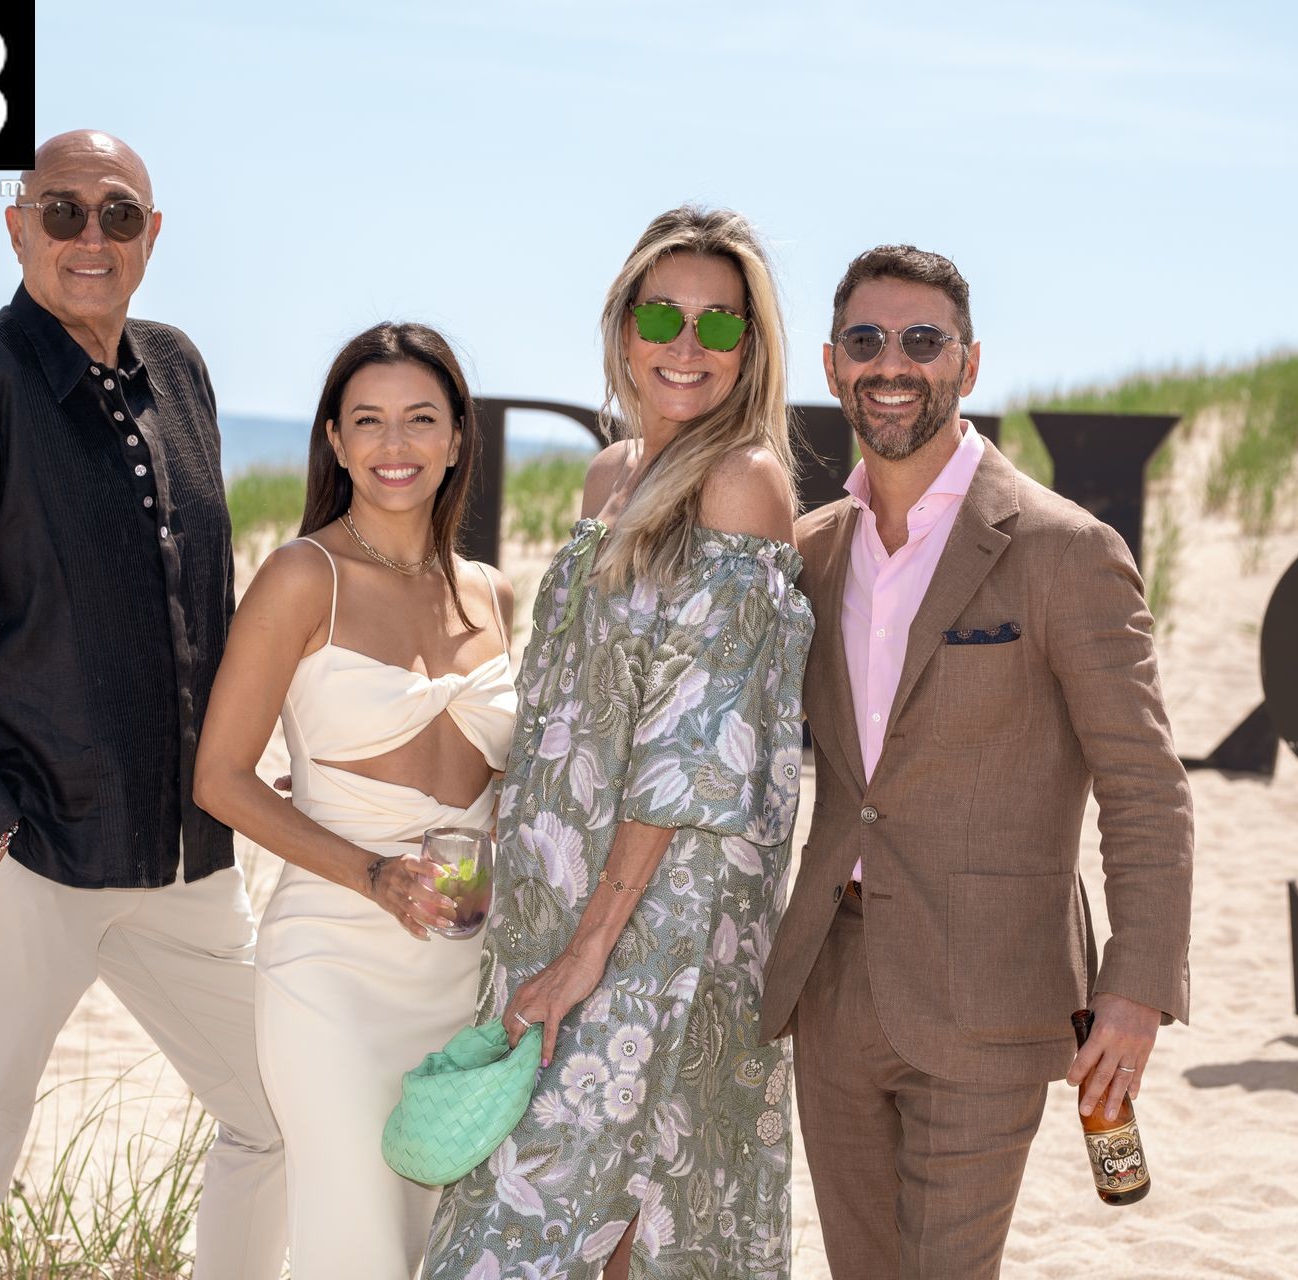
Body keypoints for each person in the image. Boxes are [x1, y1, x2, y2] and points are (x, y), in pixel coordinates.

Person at [0, 130, 286, 1279]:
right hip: (20, 856)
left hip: (183, 857)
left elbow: (206, 601)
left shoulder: (180, 370)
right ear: (18, 229)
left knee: (281, 1110)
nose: (91, 236)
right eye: (63, 212)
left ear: (153, 234)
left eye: (118, 213)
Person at [758, 244, 1195, 1278]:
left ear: (969, 361)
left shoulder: (1064, 550)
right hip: (833, 978)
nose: (892, 363)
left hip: (993, 987)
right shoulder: (810, 552)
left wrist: (1136, 986)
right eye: (866, 340)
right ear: (831, 365)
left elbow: (1144, 785)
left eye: (923, 340)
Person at [424, 206, 812, 1280]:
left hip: (662, 913)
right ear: (622, 326)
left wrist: (592, 945)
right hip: (561, 890)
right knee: (595, 1205)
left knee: (590, 1202)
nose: (687, 346)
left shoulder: (742, 482)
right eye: (662, 316)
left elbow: (694, 751)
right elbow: (567, 703)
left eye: (718, 324)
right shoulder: (611, 477)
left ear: (750, 347)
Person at [193, 322, 515, 1276]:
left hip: (464, 969)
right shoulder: (305, 577)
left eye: (421, 419)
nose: (394, 444)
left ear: (457, 437)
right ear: (334, 441)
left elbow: (511, 780)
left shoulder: (492, 594)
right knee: (355, 1243)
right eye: (367, 421)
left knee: (439, 1247)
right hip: (334, 962)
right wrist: (373, 873)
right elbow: (220, 778)